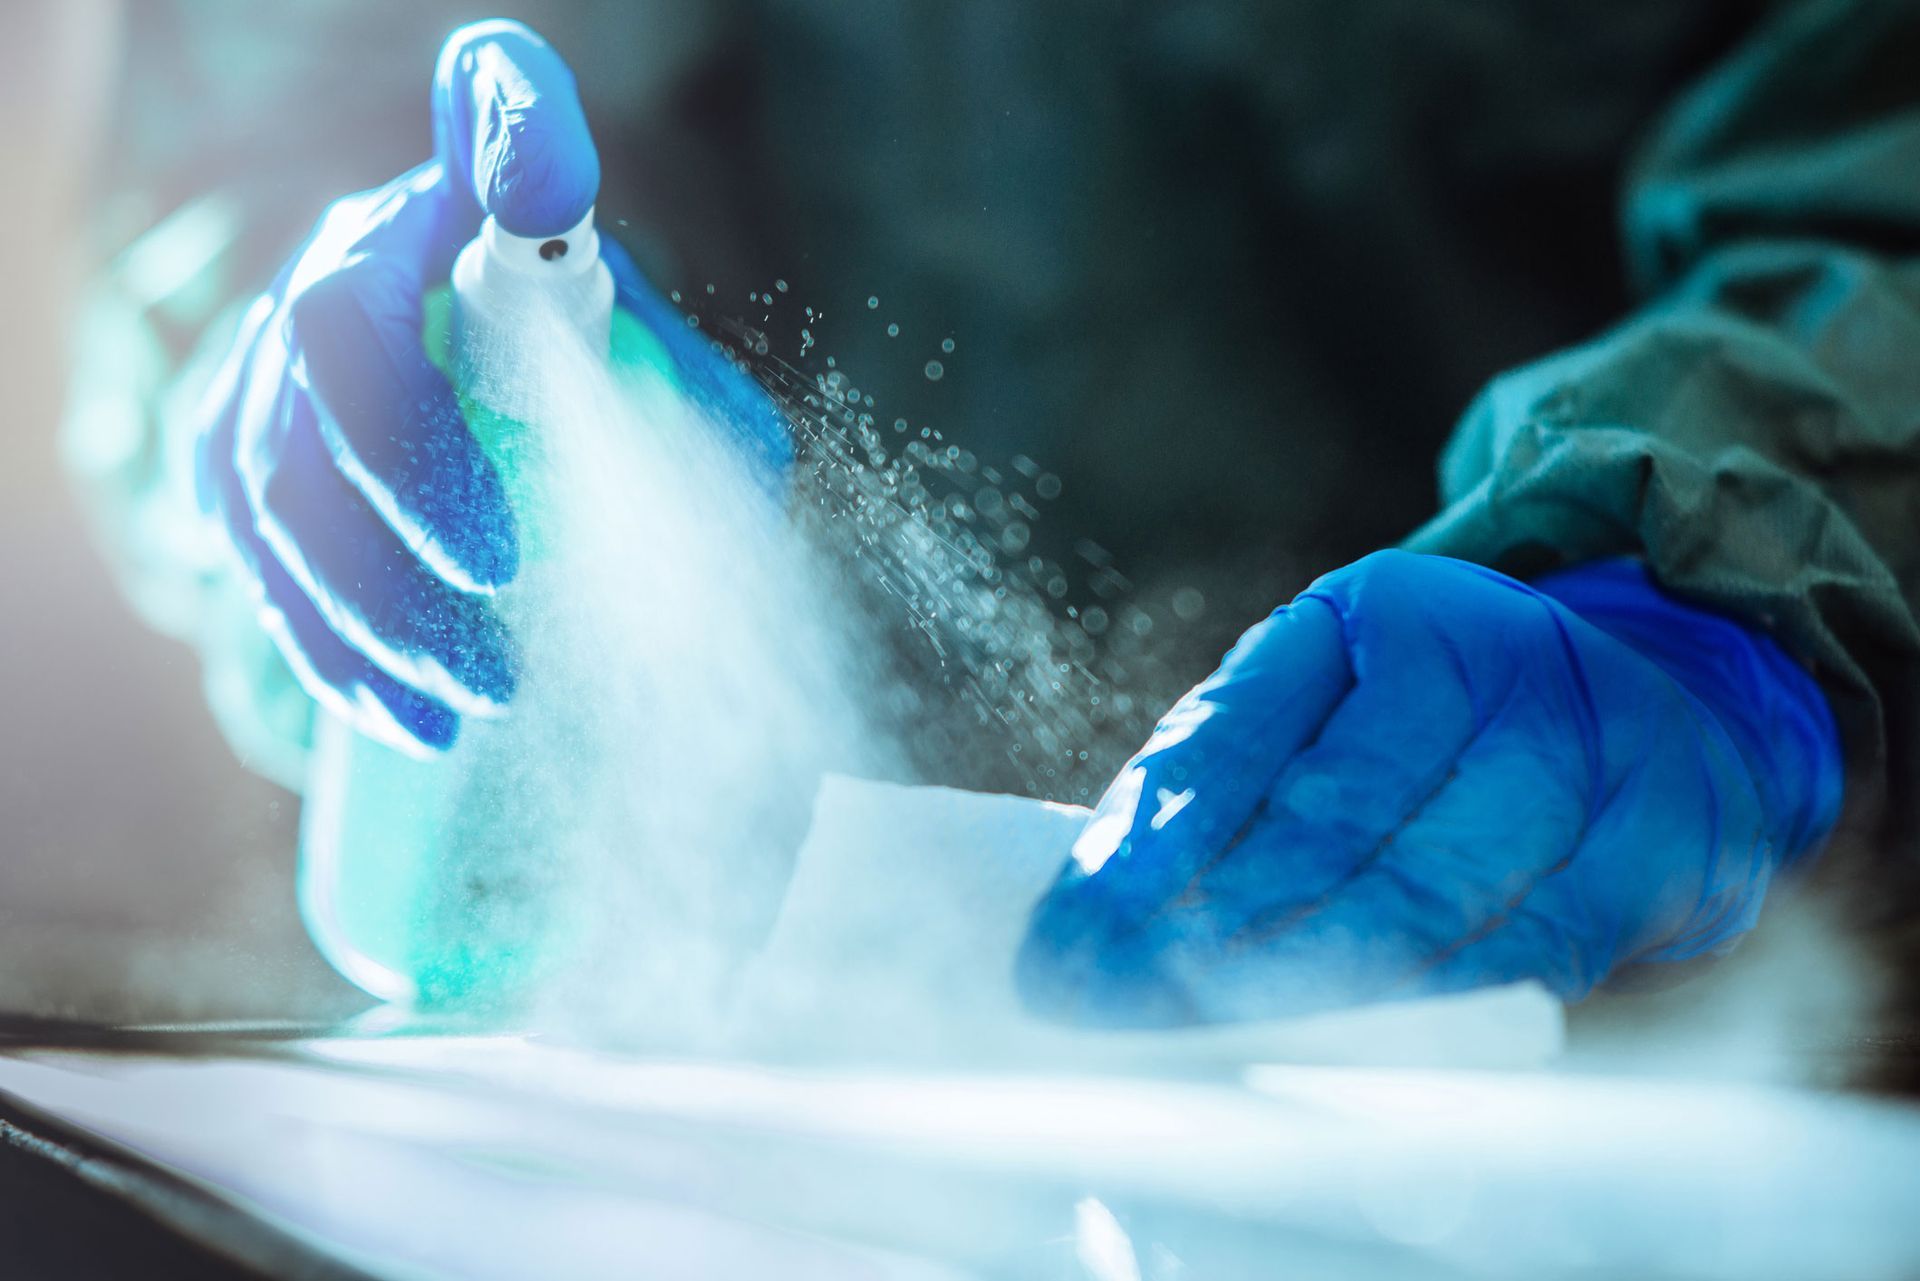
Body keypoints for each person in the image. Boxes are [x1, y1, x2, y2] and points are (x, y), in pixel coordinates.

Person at [67, 3, 1920, 1028]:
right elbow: (277, 106)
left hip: (1668, 938)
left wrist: (1726, 577)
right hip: (776, 1048)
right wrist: (301, 349)